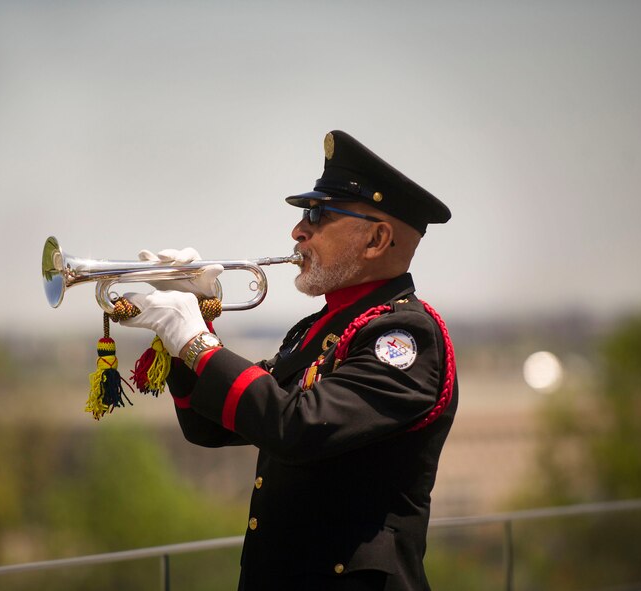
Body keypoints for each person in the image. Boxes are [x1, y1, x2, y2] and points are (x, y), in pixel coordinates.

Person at [121, 130, 458, 591]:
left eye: (318, 215)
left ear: (377, 238)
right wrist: (189, 335)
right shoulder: (320, 330)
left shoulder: (404, 337)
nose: (298, 231)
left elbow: (297, 428)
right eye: (304, 215)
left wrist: (195, 340)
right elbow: (210, 428)